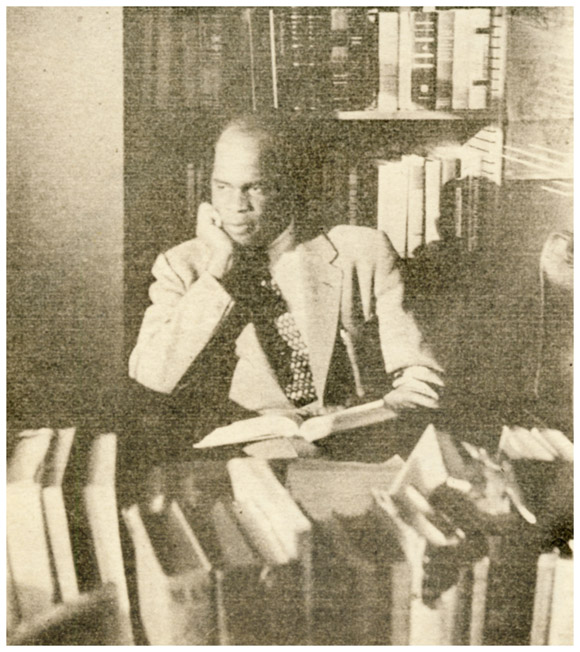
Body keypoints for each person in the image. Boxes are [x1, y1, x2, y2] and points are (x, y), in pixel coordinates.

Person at [128, 114, 444, 459]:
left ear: (288, 185)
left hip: (355, 449)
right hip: (240, 459)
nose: (236, 207)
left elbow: (420, 369)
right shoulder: (183, 267)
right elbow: (152, 375)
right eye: (223, 187)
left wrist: (398, 401)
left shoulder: (362, 251)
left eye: (255, 187)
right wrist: (218, 269)